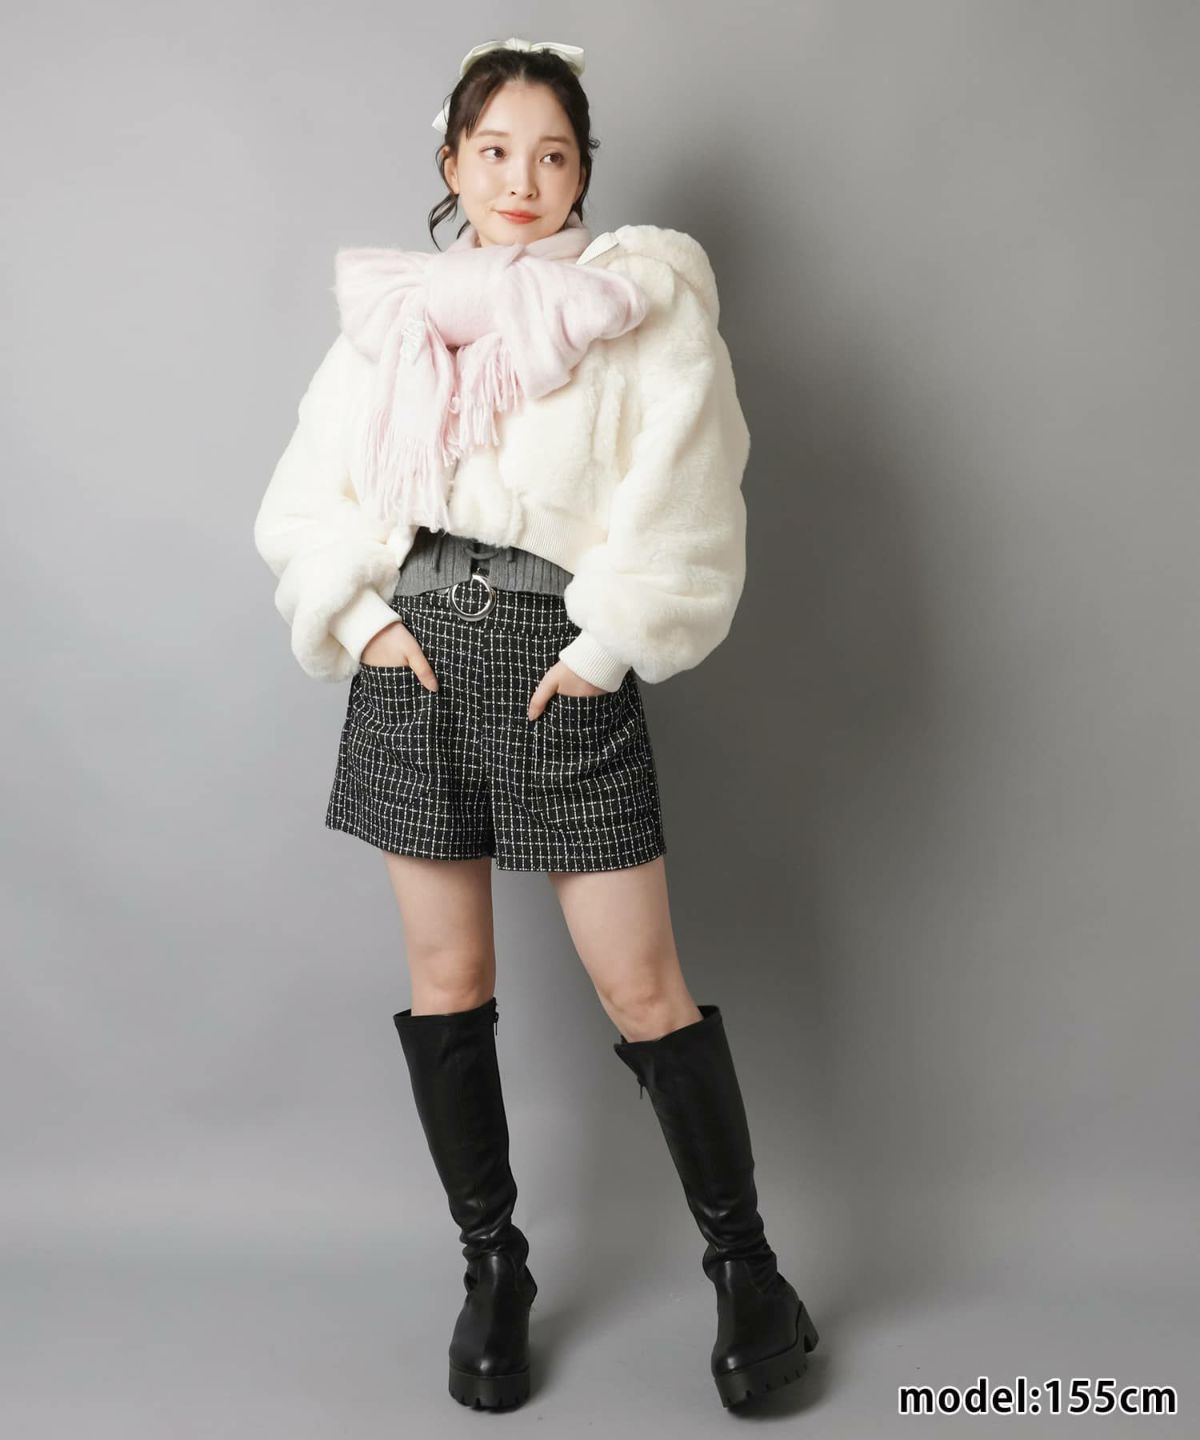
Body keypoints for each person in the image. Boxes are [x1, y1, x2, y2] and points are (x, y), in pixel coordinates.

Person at [253, 35, 819, 1413]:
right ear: (452, 164)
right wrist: (363, 622)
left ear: (582, 173)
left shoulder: (637, 305)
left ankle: (748, 1272)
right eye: (496, 151)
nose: (523, 179)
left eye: (552, 154)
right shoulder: (393, 317)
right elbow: (309, 498)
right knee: (448, 981)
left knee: (643, 985)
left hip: (559, 661)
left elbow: (689, 493)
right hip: (415, 661)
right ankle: (492, 1270)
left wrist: (607, 648)